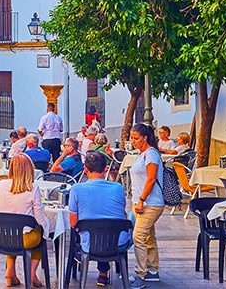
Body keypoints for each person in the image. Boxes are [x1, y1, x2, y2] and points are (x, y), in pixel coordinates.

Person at [68, 151, 132, 287]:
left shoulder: (76, 189)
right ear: (106, 169)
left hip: (91, 244)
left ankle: (79, 259)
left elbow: (73, 223)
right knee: (107, 226)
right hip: (117, 243)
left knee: (91, 231)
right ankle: (104, 272)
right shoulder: (118, 188)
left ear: (85, 169)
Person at [0, 154, 46, 287]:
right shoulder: (33, 188)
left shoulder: (1, 185)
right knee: (40, 236)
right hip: (23, 239)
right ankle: (31, 274)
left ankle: (10, 272)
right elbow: (39, 218)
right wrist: (46, 228)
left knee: (11, 235)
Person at [129, 123, 165, 287]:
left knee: (139, 237)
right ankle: (152, 270)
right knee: (148, 237)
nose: (133, 141)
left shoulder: (151, 154)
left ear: (145, 137)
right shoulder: (142, 153)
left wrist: (142, 199)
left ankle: (141, 274)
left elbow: (151, 179)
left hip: (150, 203)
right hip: (141, 202)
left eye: (136, 138)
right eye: (132, 138)